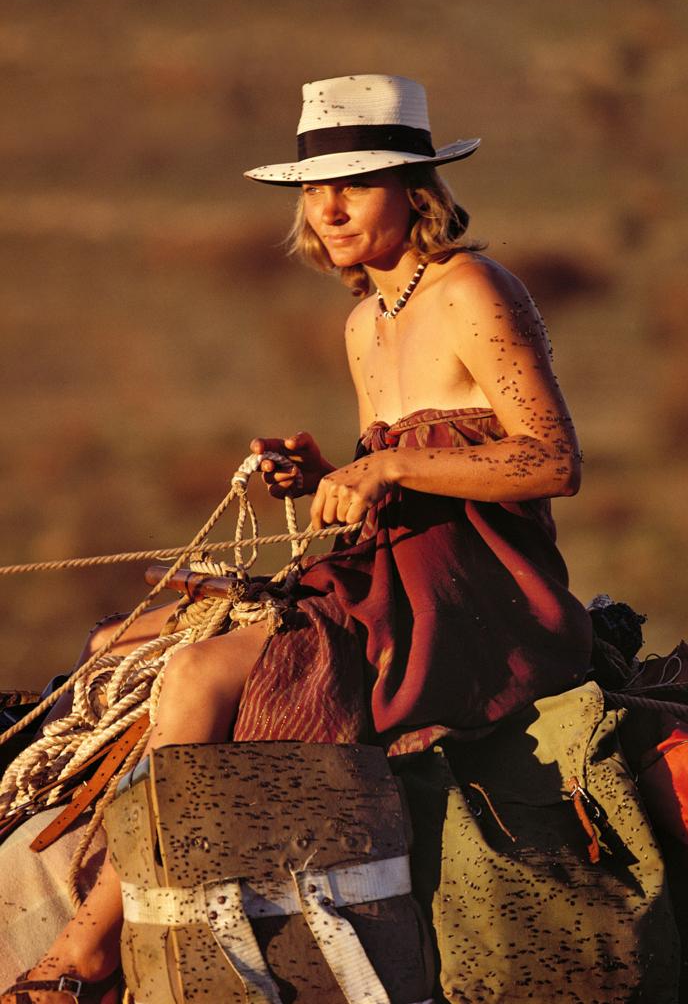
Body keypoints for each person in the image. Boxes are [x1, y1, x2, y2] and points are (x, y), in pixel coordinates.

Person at [1, 73, 592, 1002]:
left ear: (416, 190)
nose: (329, 207)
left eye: (354, 183)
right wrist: (323, 477)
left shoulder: (472, 288)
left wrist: (384, 470)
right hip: (384, 566)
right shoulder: (366, 322)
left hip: (471, 593)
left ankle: (88, 945)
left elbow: (548, 461)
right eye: (315, 190)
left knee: (200, 677)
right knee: (125, 643)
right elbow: (404, 468)